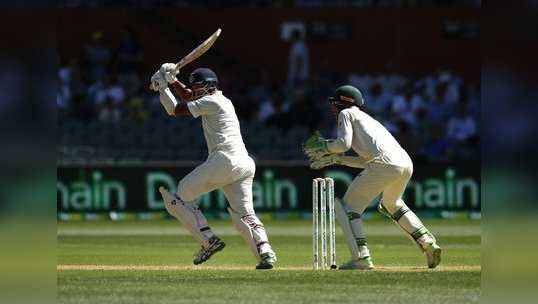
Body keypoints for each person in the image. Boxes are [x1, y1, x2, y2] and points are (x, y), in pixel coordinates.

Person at [149, 64, 277, 269]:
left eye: (199, 87)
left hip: (224, 160)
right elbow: (190, 96)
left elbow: (175, 109)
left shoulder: (212, 101)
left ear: (210, 86)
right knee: (244, 214)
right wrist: (171, 81)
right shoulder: (220, 100)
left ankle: (208, 240)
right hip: (244, 163)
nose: (196, 91)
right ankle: (266, 252)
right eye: (195, 87)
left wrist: (164, 86)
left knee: (178, 198)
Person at [303, 85, 442, 270]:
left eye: (334, 104)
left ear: (343, 102)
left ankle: (362, 257)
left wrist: (325, 146)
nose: (332, 109)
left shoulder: (347, 114)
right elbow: (367, 162)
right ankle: (427, 243)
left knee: (347, 208)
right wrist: (338, 159)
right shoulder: (368, 120)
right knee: (392, 204)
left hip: (385, 164)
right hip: (404, 162)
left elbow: (343, 144)